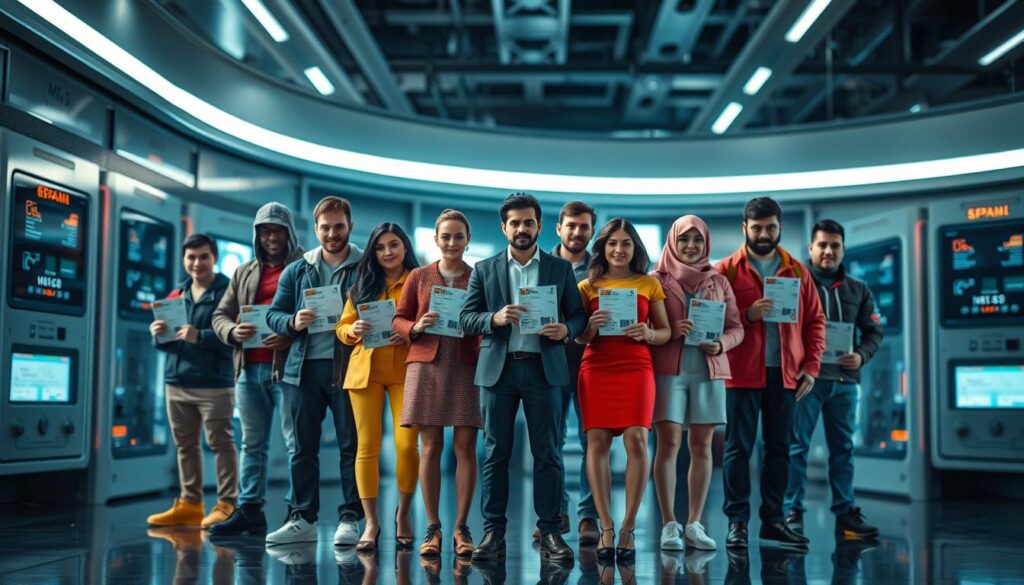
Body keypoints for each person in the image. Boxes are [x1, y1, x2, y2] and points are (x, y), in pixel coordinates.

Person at [459, 193, 586, 563]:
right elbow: (466, 318)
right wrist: (494, 318)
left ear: (540, 226)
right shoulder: (484, 269)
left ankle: (551, 532)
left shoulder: (559, 269)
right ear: (504, 227)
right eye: (514, 223)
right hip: (499, 370)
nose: (522, 228)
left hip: (544, 368)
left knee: (548, 453)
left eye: (528, 222)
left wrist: (566, 330)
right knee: (495, 453)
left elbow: (578, 316)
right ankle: (493, 533)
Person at [715, 197, 826, 550]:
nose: (764, 234)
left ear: (780, 228)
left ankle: (774, 521)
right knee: (738, 450)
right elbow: (711, 321)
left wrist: (811, 367)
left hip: (786, 375)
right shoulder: (725, 271)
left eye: (771, 228)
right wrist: (748, 315)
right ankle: (737, 522)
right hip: (741, 374)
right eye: (757, 228)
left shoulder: (798, 272)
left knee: (780, 448)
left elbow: (816, 322)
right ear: (744, 228)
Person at [264, 196, 364, 546]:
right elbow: (273, 315)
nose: (332, 234)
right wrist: (293, 321)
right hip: (301, 370)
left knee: (351, 446)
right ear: (316, 229)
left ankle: (351, 518)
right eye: (325, 228)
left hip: (348, 368)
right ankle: (302, 518)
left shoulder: (365, 267)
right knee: (302, 448)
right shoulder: (297, 269)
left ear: (350, 227)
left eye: (339, 227)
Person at [575, 218, 671, 561]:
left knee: (637, 439)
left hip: (636, 366)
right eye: (612, 243)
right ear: (602, 248)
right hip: (597, 366)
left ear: (635, 248)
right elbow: (578, 337)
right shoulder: (587, 286)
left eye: (625, 243)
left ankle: (628, 527)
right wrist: (590, 327)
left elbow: (666, 331)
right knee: (597, 443)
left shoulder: (649, 283)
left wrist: (649, 334)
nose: (619, 249)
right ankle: (606, 526)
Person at [650, 215, 744, 551]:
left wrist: (722, 344)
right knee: (668, 443)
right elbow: (646, 327)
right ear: (673, 241)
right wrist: (671, 331)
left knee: (703, 447)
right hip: (669, 369)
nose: (691, 246)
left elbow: (736, 328)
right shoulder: (655, 280)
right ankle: (668, 524)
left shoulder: (719, 281)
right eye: (684, 239)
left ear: (706, 244)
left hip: (708, 369)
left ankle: (694, 523)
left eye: (697, 240)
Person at [391, 210, 482, 558]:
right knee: (429, 447)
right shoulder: (419, 276)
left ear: (468, 240)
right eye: (446, 236)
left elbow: (484, 320)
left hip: (466, 365)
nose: (452, 243)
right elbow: (399, 319)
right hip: (426, 365)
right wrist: (416, 326)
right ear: (436, 239)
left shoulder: (478, 277)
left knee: (465, 447)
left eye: (459, 236)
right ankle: (433, 526)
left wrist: (474, 325)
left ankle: (461, 527)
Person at [209, 202, 304, 536]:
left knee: (295, 444)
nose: (272, 238)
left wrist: (290, 333)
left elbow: (321, 316)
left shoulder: (306, 267)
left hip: (289, 370)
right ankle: (250, 510)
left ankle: (298, 511)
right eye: (265, 232)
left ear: (289, 233)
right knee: (251, 443)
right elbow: (219, 315)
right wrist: (232, 331)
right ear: (257, 235)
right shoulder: (244, 272)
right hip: (249, 369)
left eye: (278, 231)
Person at [785, 219, 883, 540]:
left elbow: (874, 331)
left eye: (835, 246)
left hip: (844, 381)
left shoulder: (859, 289)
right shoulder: (794, 284)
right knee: (796, 447)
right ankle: (791, 513)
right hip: (806, 381)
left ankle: (845, 514)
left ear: (843, 250)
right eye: (822, 245)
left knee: (843, 449)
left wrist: (862, 356)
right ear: (811, 248)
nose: (828, 251)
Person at [336, 222, 420, 553]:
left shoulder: (418, 281)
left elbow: (429, 324)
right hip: (364, 373)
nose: (387, 252)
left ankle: (403, 514)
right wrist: (352, 329)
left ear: (405, 247)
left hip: (406, 372)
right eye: (380, 247)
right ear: (372, 253)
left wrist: (409, 332)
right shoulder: (361, 286)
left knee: (406, 446)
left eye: (393, 245)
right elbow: (341, 328)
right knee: (366, 447)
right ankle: (370, 522)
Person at [146, 234, 238, 529]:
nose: (197, 263)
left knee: (221, 443)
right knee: (185, 445)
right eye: (191, 257)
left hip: (215, 383)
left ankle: (226, 504)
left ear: (214, 258)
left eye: (203, 256)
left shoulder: (229, 292)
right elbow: (167, 342)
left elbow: (236, 337)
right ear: (184, 260)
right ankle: (190, 504)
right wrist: (157, 334)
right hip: (177, 381)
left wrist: (200, 336)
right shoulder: (177, 293)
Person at [541, 200, 600, 545]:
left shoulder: (602, 270)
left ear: (592, 231)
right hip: (548, 363)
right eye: (571, 226)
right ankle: (556, 513)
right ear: (559, 228)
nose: (577, 232)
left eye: (584, 227)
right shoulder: (540, 265)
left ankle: (588, 516)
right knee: (551, 442)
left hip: (591, 363)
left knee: (592, 440)